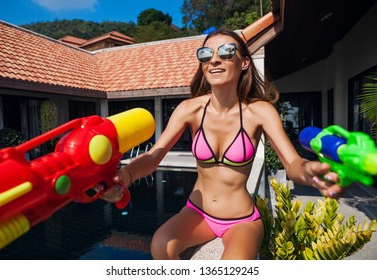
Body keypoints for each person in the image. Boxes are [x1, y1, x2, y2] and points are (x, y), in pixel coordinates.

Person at [101, 28, 344, 260]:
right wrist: (128, 174)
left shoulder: (259, 112)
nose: (214, 60)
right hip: (196, 213)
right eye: (206, 55)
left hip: (241, 220)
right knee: (160, 246)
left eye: (226, 52)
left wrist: (308, 171)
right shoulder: (190, 109)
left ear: (244, 63)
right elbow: (155, 155)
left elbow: (292, 163)